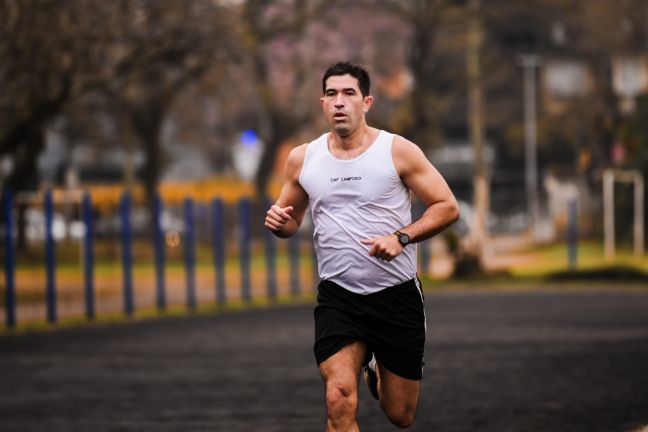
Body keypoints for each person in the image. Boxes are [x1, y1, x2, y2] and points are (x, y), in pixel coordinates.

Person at [264, 61, 459, 431]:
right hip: (340, 297)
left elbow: (447, 206)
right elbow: (291, 221)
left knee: (400, 414)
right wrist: (280, 224)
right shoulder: (303, 158)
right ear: (322, 103)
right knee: (338, 397)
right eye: (332, 94)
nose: (340, 102)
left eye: (349, 93)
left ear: (366, 102)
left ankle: (375, 372)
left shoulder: (398, 151)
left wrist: (401, 237)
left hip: (395, 295)